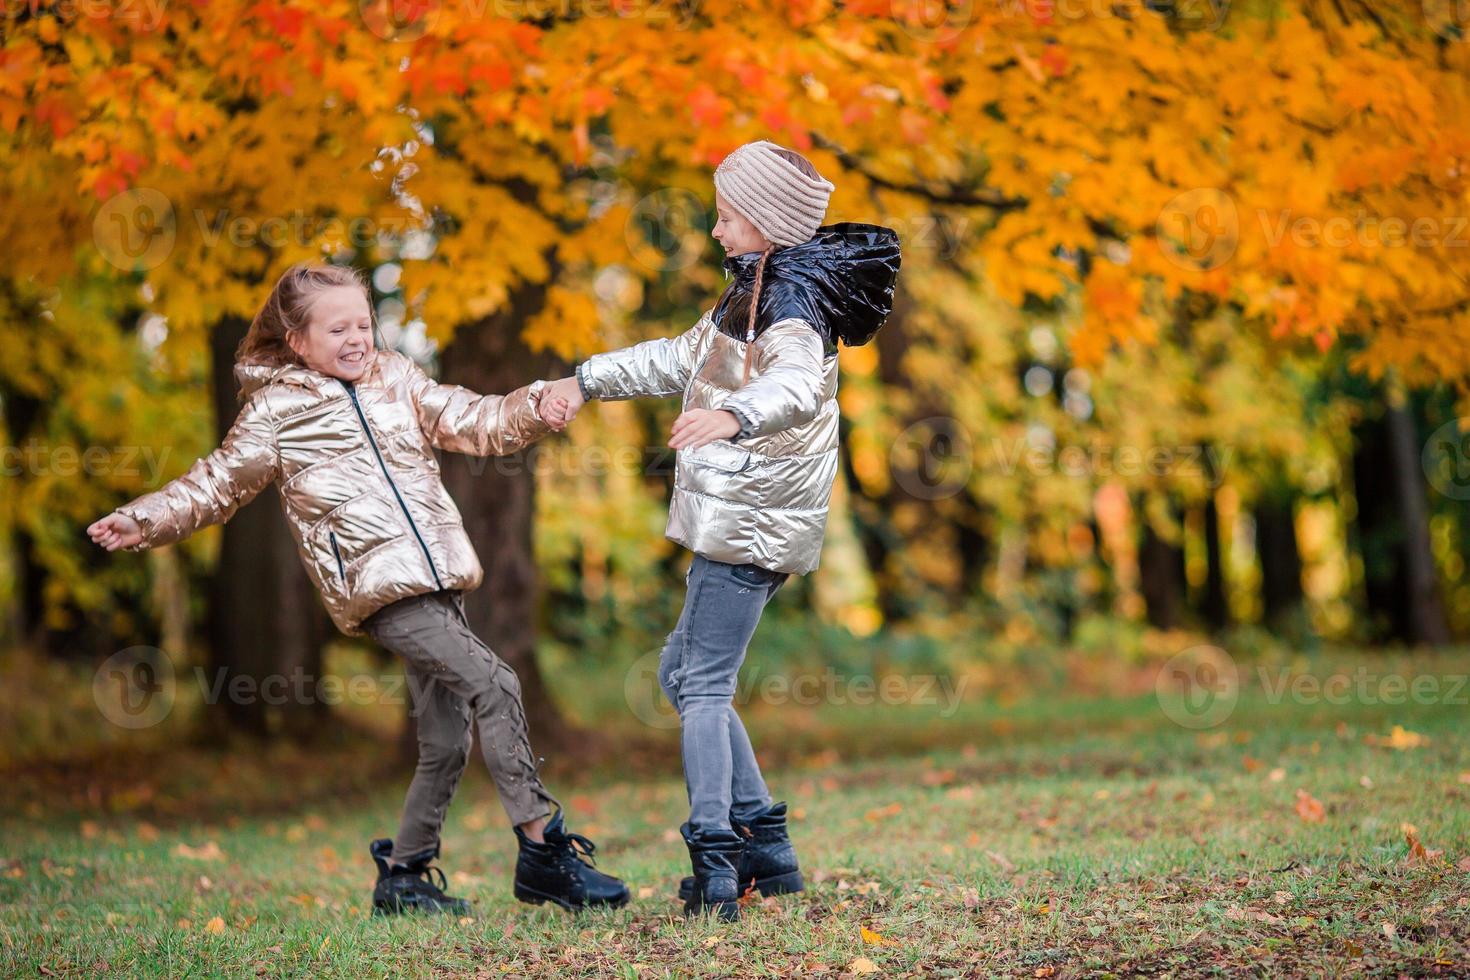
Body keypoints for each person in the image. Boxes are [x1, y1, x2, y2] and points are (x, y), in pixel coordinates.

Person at [87, 264, 628, 915]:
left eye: (363, 324)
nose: (356, 338)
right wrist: (141, 518)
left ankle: (402, 878)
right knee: (495, 682)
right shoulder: (275, 413)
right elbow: (216, 484)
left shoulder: (395, 378)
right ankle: (543, 853)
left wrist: (536, 404)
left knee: (447, 740)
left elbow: (473, 419)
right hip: (381, 593)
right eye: (336, 327)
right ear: (297, 340)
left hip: (440, 581)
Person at [542, 140, 901, 920]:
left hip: (750, 522)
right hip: (748, 515)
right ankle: (767, 846)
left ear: (766, 223)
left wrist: (733, 416)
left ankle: (717, 859)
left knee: (701, 685)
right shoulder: (755, 288)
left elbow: (796, 384)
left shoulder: (792, 308)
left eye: (728, 215)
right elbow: (681, 358)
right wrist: (583, 380)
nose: (714, 229)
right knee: (682, 675)